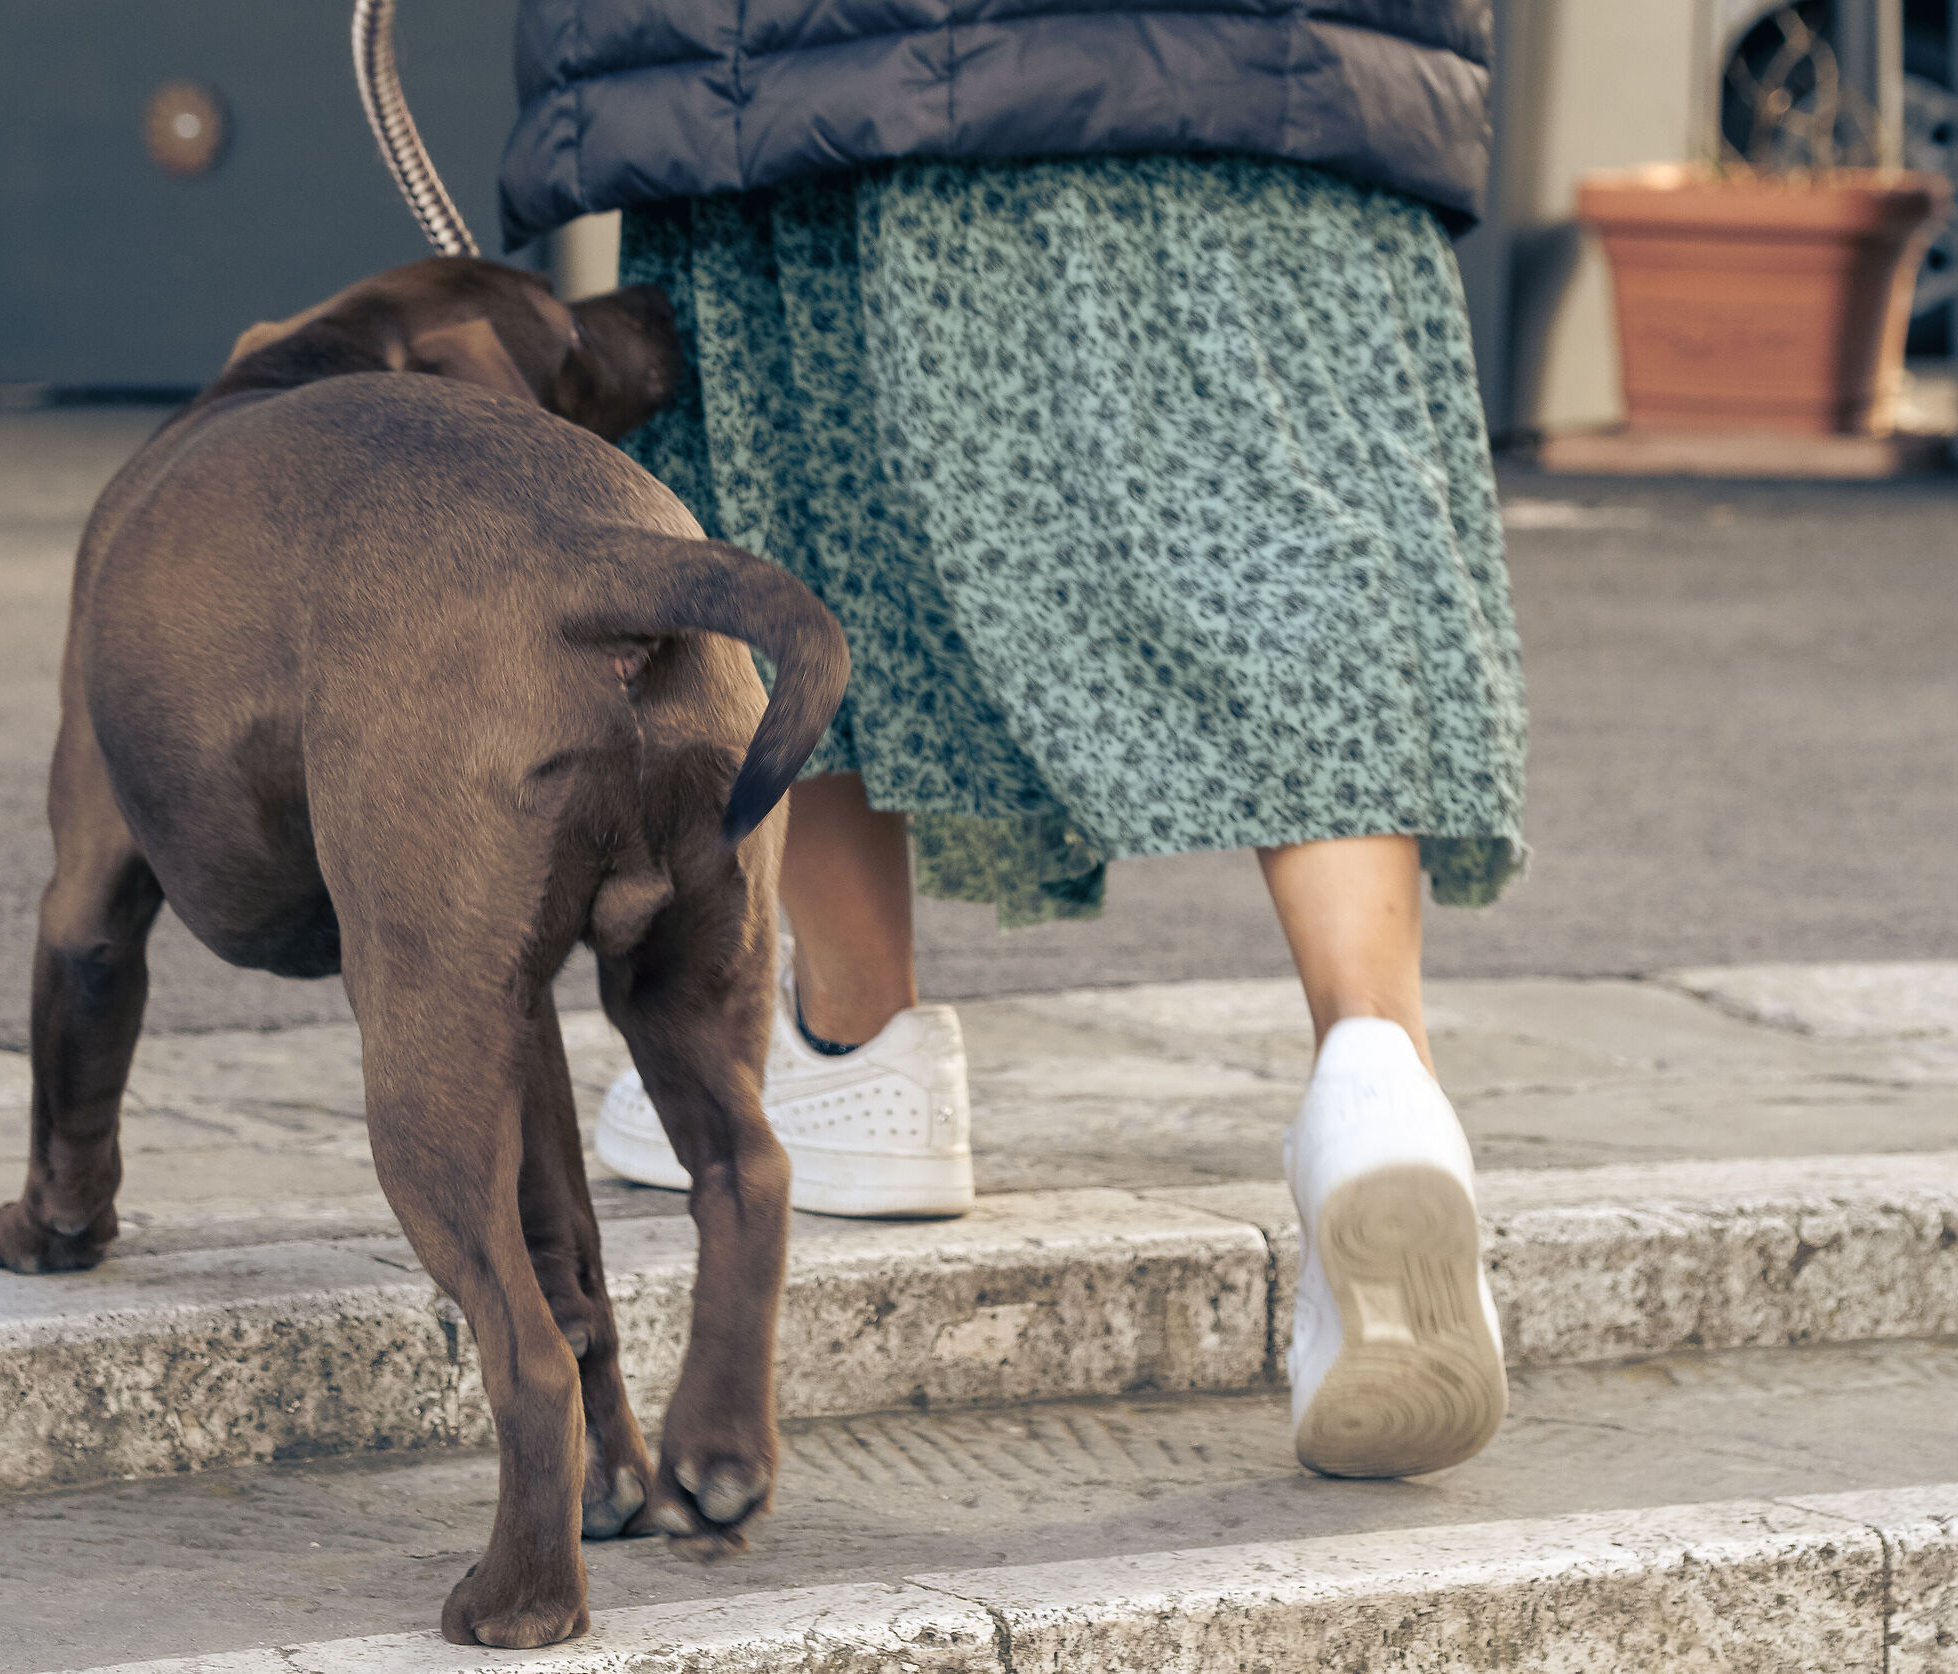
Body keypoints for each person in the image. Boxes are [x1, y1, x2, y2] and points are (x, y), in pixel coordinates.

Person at [501, 2, 1525, 1480]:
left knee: (810, 502)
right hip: (1290, 68)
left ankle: (850, 1042)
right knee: (1294, 525)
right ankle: (1378, 1078)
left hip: (846, 66)